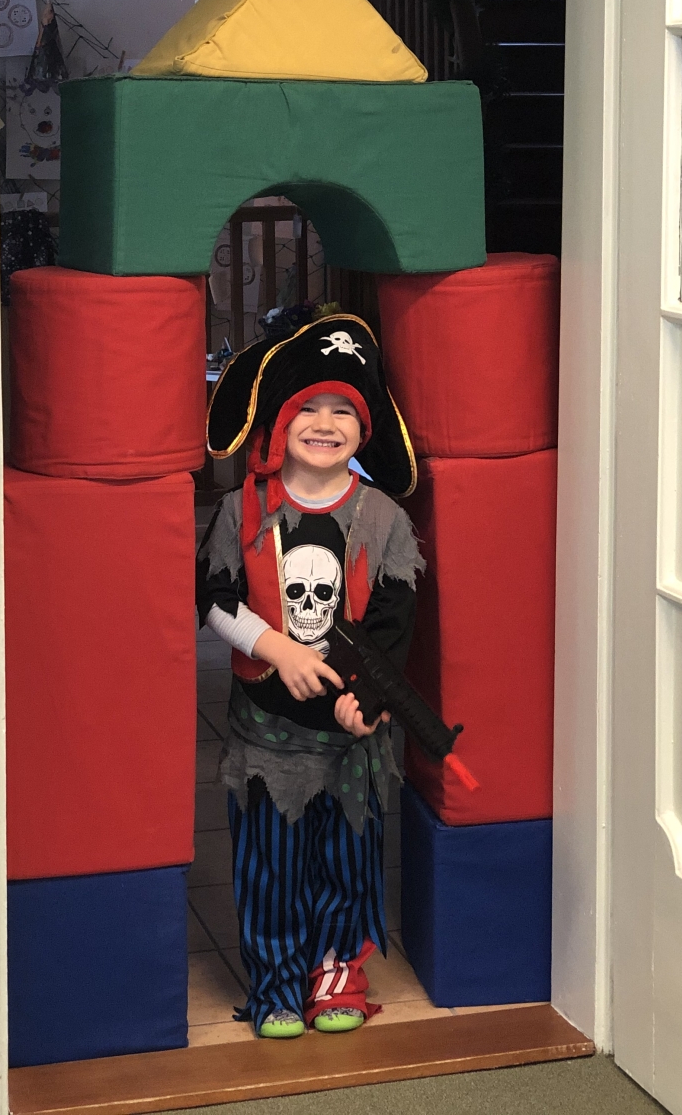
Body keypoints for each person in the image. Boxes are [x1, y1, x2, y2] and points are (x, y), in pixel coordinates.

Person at [198, 312, 423, 1039]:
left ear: (364, 430)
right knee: (272, 867)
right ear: (279, 419)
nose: (325, 425)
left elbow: (393, 622)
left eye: (343, 412)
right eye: (309, 409)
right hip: (266, 739)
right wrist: (277, 648)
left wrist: (370, 698)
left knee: (347, 860)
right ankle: (275, 985)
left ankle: (336, 975)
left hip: (351, 741)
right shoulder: (240, 511)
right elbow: (214, 599)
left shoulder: (383, 519)